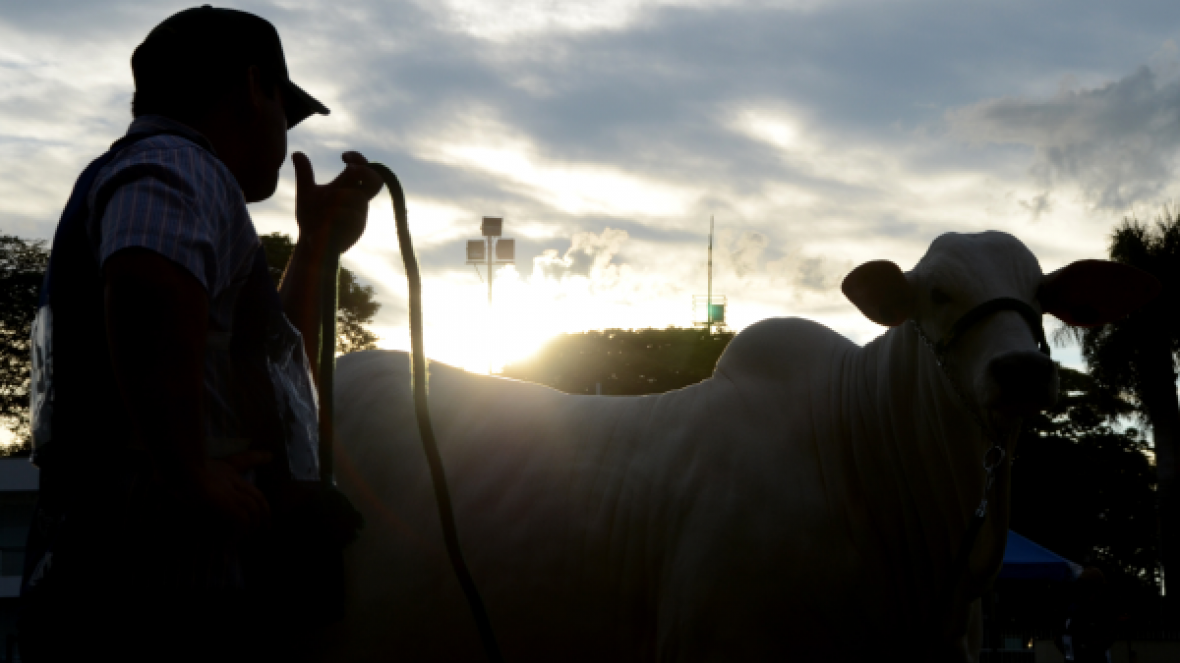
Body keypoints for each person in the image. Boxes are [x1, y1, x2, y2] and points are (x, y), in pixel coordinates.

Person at [18, 6, 380, 661]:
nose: (282, 131)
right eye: (284, 109)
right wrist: (189, 472)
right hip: (160, 594)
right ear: (253, 87)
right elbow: (144, 274)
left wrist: (318, 247)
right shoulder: (178, 164)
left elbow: (267, 358)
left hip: (139, 580)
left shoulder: (171, 174)